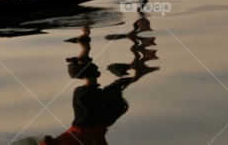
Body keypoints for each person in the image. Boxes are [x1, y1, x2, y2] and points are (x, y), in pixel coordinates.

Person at [38, 17, 159, 145]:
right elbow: (46, 140)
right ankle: (138, 64)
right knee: (94, 81)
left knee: (106, 84)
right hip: (89, 122)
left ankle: (138, 66)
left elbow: (46, 140)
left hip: (102, 120)